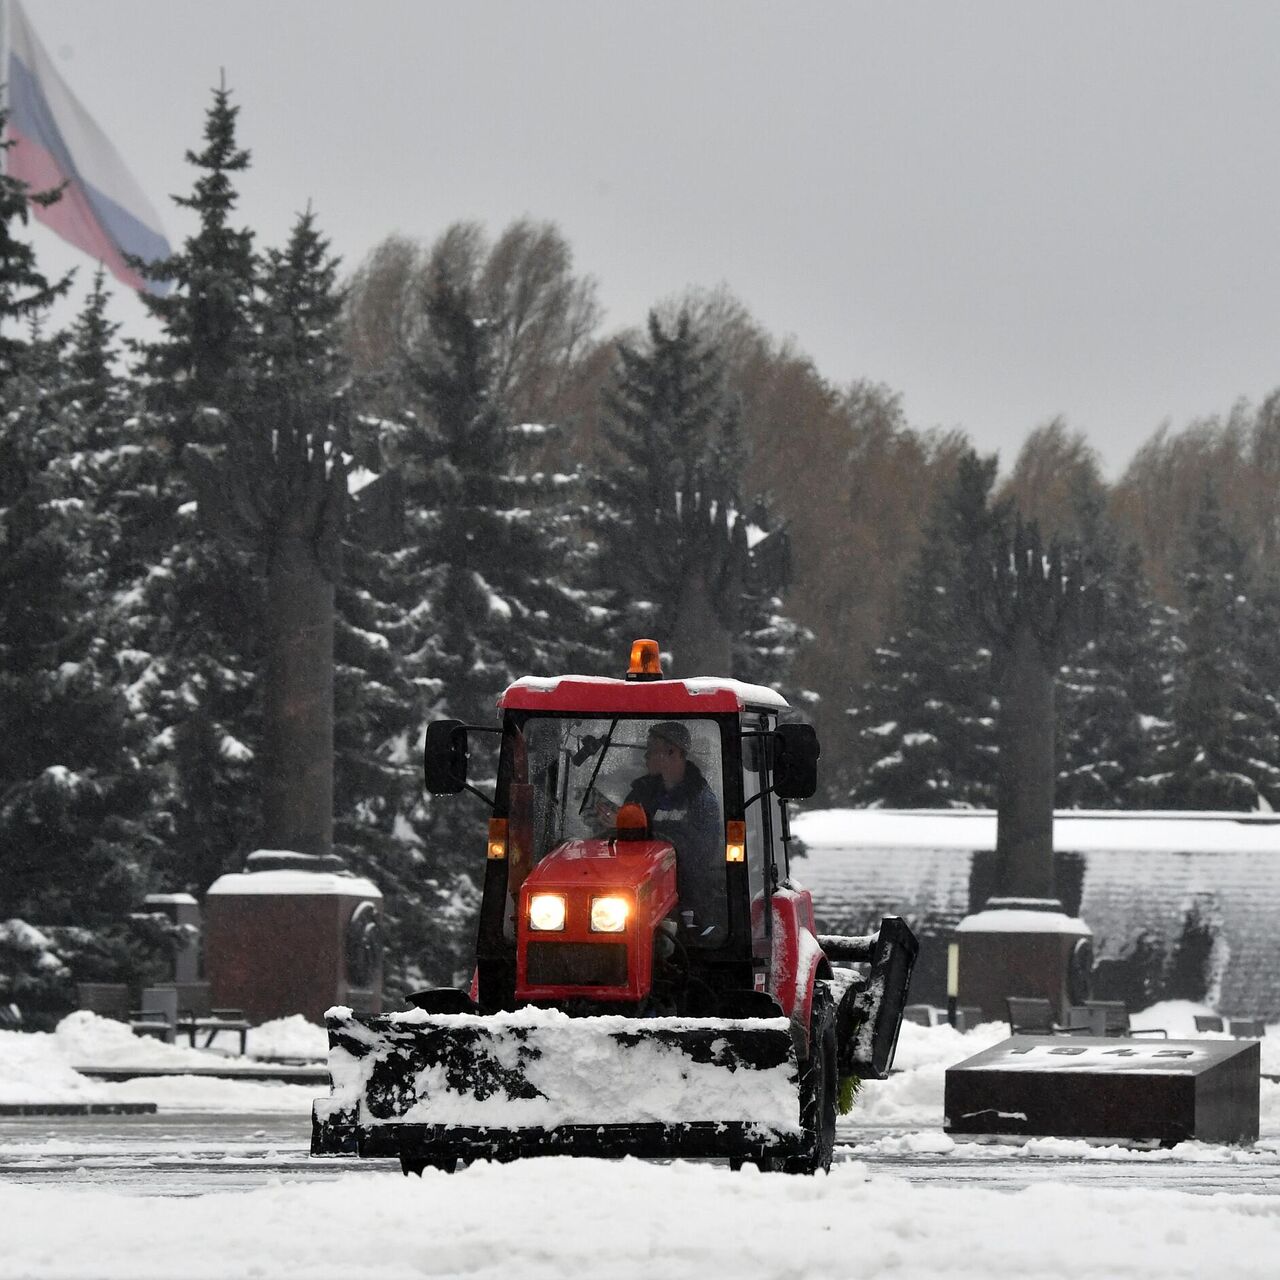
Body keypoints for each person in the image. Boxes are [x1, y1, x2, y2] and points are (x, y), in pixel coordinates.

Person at [598, 721, 724, 933]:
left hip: (686, 898)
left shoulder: (701, 800)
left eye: (651, 750)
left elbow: (698, 854)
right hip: (631, 894)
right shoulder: (641, 793)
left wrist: (640, 830)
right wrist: (609, 826)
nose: (645, 756)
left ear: (672, 752)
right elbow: (627, 839)